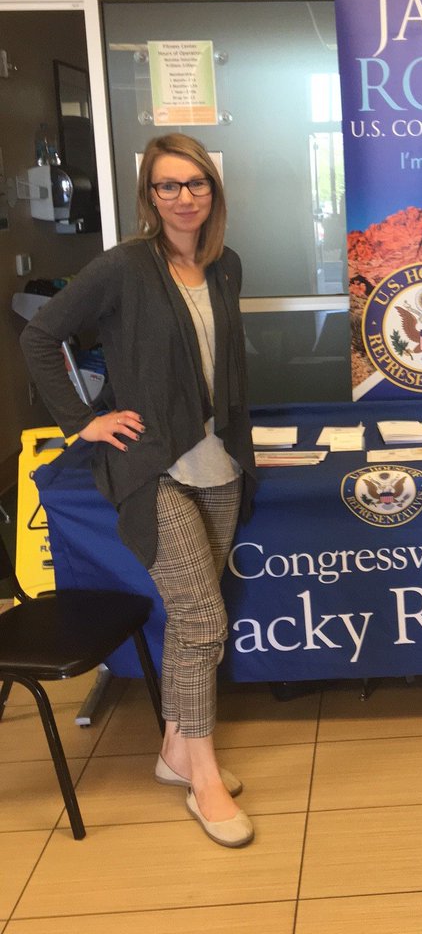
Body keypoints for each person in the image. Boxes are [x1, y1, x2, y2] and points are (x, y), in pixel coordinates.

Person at [21, 133, 257, 845]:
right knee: (203, 619)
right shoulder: (124, 266)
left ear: (213, 190)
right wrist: (83, 422)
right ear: (149, 196)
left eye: (196, 183)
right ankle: (202, 777)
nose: (184, 197)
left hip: (219, 462)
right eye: (167, 185)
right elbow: (40, 338)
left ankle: (175, 751)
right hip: (152, 465)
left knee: (191, 621)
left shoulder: (224, 265)